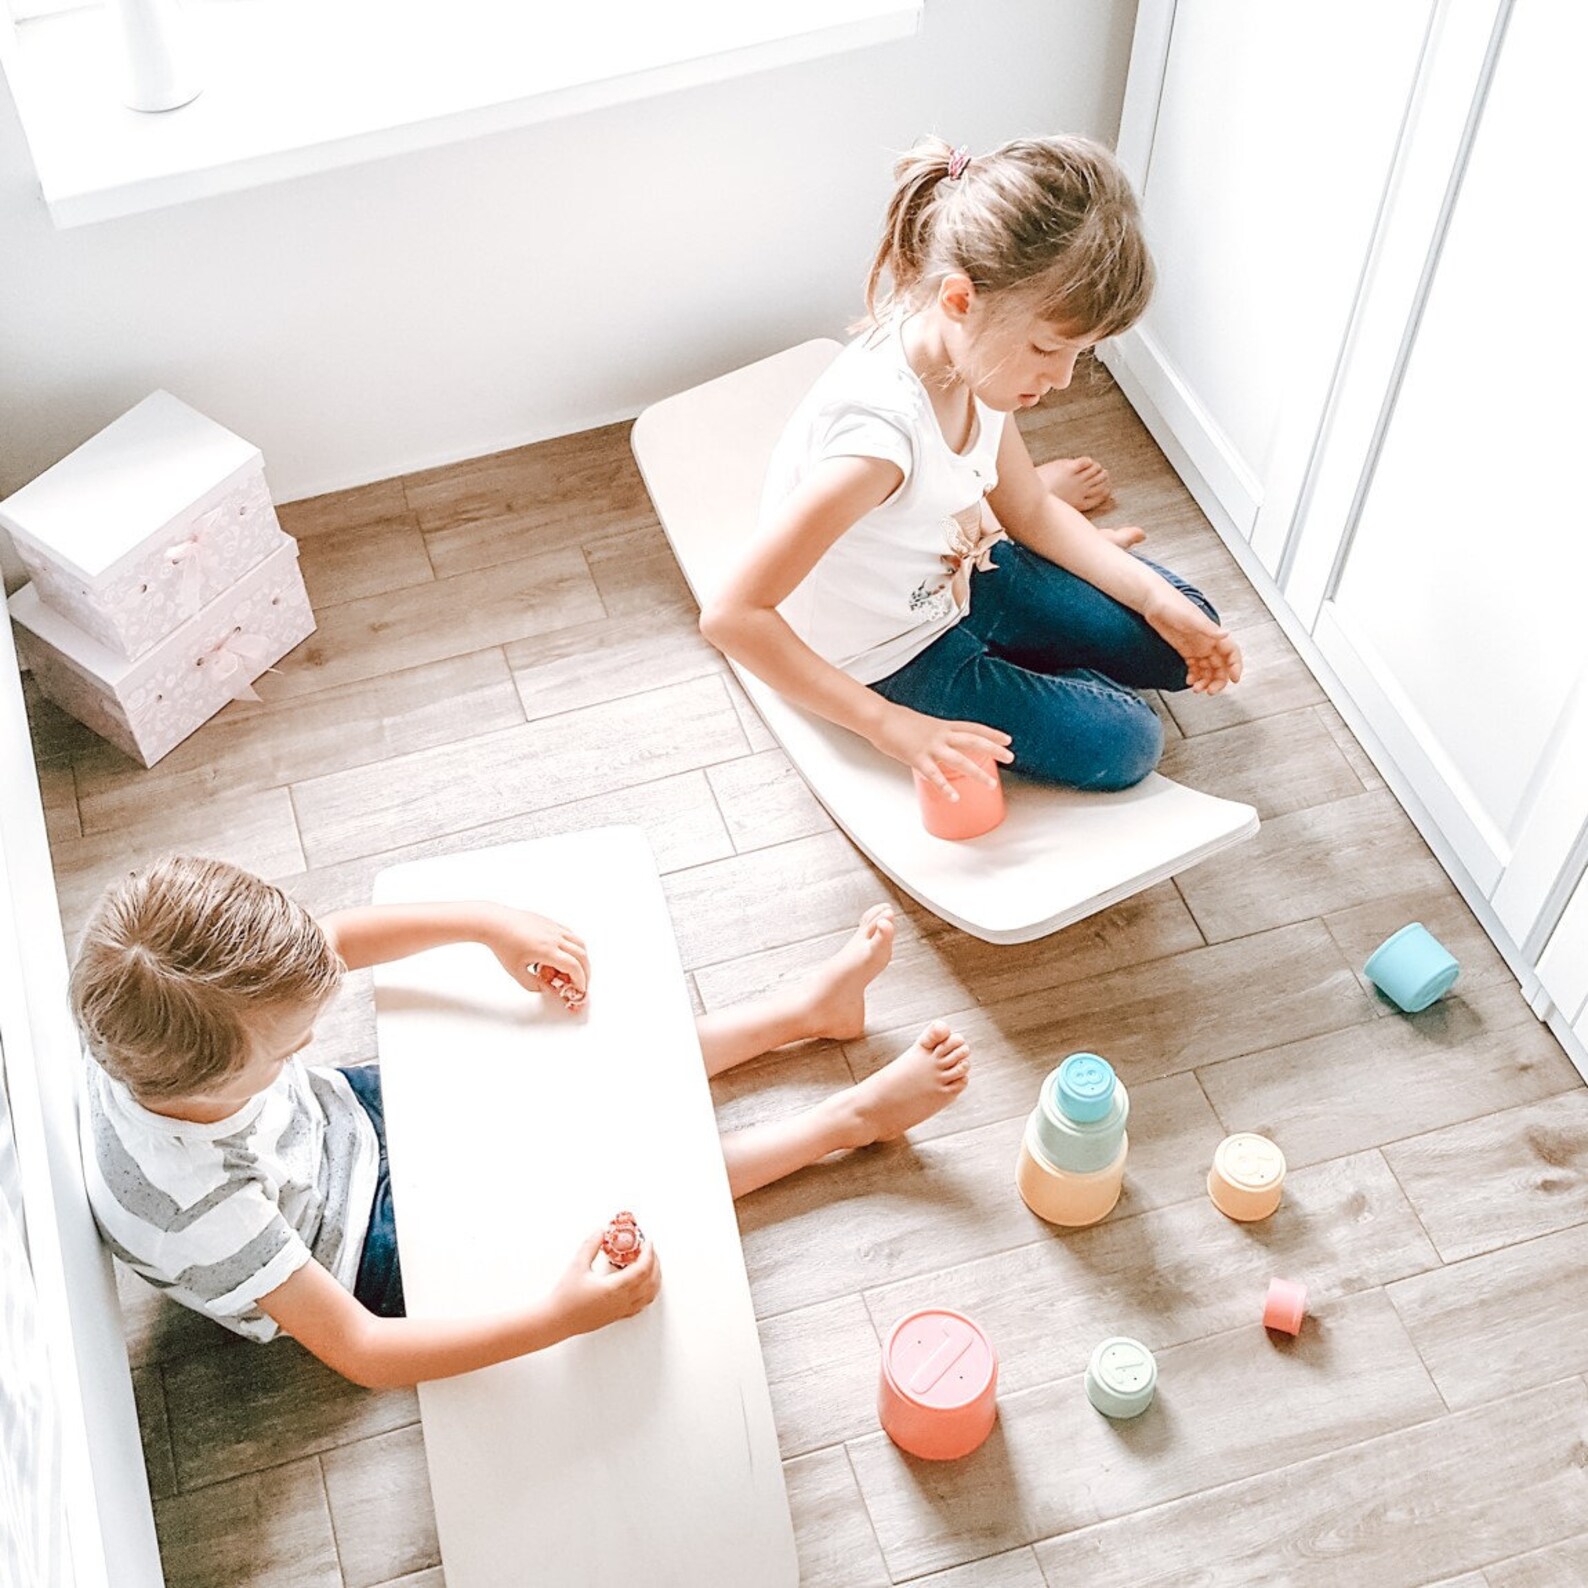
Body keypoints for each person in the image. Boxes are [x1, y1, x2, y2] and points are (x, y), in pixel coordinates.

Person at [70, 855, 966, 1388]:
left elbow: (332, 942)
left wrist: (488, 923)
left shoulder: (165, 1010)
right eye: (289, 1044)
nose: (308, 1039)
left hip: (341, 1126)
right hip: (354, 1253)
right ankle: (842, 1123)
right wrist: (561, 1318)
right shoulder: (197, 1204)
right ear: (223, 1074)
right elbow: (365, 1351)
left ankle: (798, 1015)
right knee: (606, 1182)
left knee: (565, 1077)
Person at [700, 135, 1242, 801]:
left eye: (1082, 353)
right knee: (1127, 741)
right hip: (896, 650)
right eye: (1048, 348)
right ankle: (1025, 655)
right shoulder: (874, 448)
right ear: (960, 299)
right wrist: (889, 727)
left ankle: (1037, 626)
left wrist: (1152, 598)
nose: (1064, 378)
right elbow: (732, 615)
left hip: (970, 572)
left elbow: (1033, 512)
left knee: (1184, 628)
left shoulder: (974, 360)